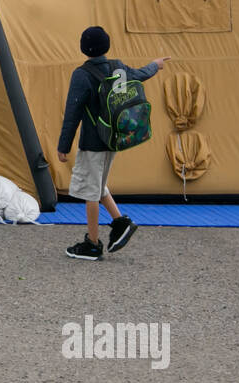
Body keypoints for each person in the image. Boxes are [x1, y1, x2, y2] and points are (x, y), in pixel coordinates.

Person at [57, 25, 169, 260]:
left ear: (83, 49)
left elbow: (72, 112)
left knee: (90, 191)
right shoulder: (117, 67)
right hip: (115, 139)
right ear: (106, 45)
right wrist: (155, 65)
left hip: (93, 143)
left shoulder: (82, 75)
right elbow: (140, 74)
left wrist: (63, 147)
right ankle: (120, 222)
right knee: (98, 186)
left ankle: (93, 244)